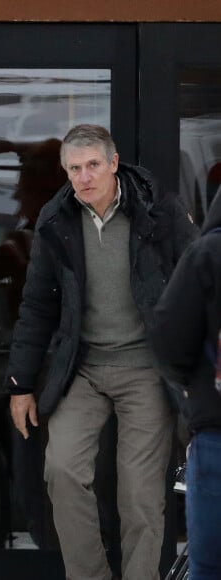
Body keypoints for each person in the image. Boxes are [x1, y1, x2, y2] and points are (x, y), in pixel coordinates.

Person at [6, 124, 197, 580]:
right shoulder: (56, 221)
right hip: (84, 368)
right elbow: (37, 306)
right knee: (63, 471)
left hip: (146, 367)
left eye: (93, 165)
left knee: (140, 493)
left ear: (113, 164)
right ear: (65, 172)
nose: (84, 176)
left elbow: (198, 283)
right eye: (74, 168)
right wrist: (22, 384)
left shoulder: (160, 211)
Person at [150, 190, 221, 579]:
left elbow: (168, 338)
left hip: (216, 433)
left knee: (209, 565)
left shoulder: (208, 254)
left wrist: (193, 384)